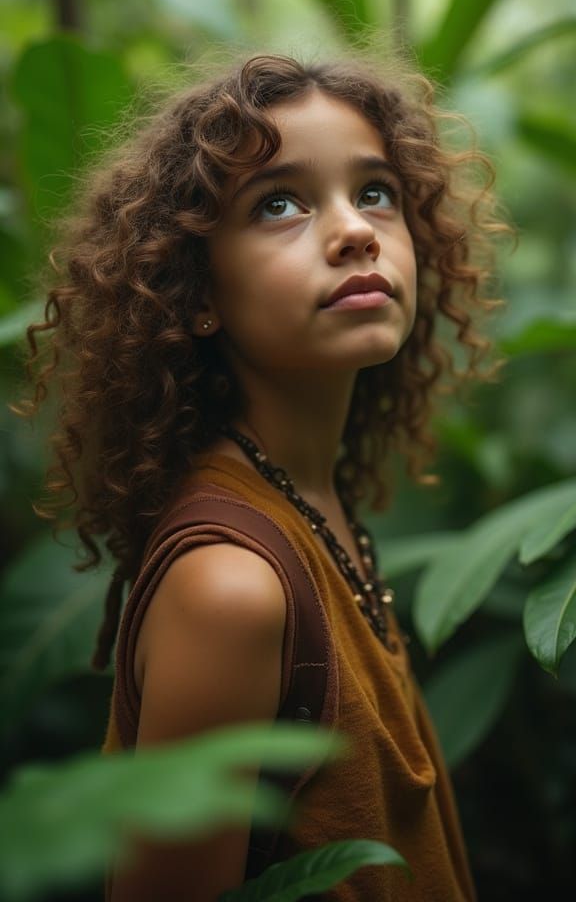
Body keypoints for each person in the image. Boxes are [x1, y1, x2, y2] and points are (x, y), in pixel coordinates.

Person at [15, 51, 510, 901]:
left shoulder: (310, 500)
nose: (355, 229)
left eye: (375, 192)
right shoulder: (233, 588)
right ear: (193, 289)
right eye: (278, 202)